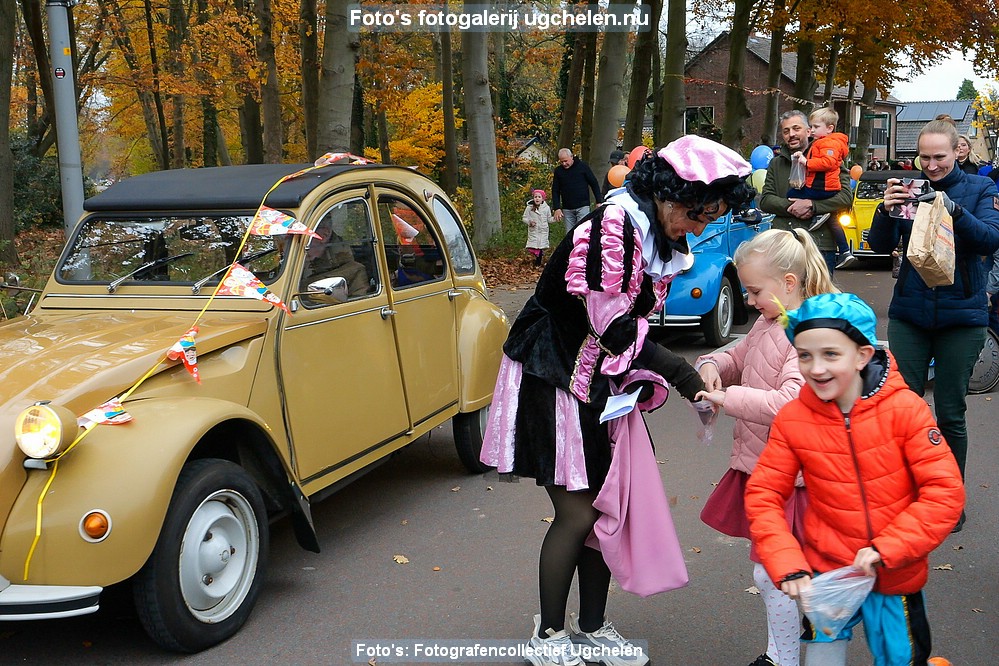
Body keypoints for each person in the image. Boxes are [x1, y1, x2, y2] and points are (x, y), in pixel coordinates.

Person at [481, 135, 755, 666]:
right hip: (554, 376)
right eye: (700, 214)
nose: (700, 227)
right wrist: (682, 375)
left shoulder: (649, 232)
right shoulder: (610, 228)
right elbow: (614, 326)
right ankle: (549, 637)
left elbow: (628, 332)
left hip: (600, 385)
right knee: (578, 515)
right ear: (672, 196)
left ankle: (592, 628)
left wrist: (684, 377)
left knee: (610, 508)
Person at [744, 292, 965, 666]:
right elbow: (763, 493)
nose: (815, 368)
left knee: (901, 658)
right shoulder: (794, 419)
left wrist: (888, 547)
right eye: (805, 355)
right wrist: (786, 561)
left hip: (895, 572)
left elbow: (944, 492)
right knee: (821, 658)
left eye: (831, 354)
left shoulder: (905, 410)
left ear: (862, 355)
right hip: (826, 570)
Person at [694, 228, 836, 666]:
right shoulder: (768, 321)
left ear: (789, 284)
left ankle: (789, 656)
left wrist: (726, 398)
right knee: (776, 570)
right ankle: (786, 653)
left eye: (755, 290)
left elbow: (789, 402)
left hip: (796, 478)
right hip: (768, 468)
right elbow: (739, 357)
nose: (750, 299)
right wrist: (712, 364)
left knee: (779, 571)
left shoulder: (806, 332)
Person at [868, 115, 999, 532]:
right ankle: (906, 493)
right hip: (910, 313)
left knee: (950, 412)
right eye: (923, 157)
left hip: (963, 316)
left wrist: (953, 209)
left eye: (939, 156)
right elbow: (879, 246)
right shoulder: (909, 189)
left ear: (958, 151)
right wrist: (887, 212)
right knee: (902, 410)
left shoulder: (981, 188)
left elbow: (990, 239)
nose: (931, 166)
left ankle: (948, 498)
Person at [760, 110, 854, 276]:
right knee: (783, 300)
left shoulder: (826, 156)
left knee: (818, 299)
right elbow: (766, 200)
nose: (791, 135)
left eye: (796, 128)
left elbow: (845, 196)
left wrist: (813, 206)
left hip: (820, 245)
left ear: (808, 130)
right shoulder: (776, 163)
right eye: (786, 131)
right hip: (784, 243)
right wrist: (793, 206)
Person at [787, 107, 856, 270]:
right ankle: (844, 248)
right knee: (832, 219)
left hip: (823, 187)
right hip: (822, 186)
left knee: (792, 193)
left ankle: (815, 213)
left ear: (830, 128)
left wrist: (806, 162)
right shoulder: (822, 142)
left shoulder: (829, 143)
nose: (812, 129)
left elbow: (828, 162)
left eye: (816, 127)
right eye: (811, 126)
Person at [551, 148, 602, 235]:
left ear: (571, 157)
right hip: (567, 208)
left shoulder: (582, 167)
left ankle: (583, 248)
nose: (564, 164)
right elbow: (555, 190)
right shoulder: (558, 171)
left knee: (583, 232)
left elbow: (594, 183)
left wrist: (599, 201)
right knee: (569, 235)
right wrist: (557, 208)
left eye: (566, 161)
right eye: (561, 162)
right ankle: (571, 249)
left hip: (582, 206)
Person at [524, 189, 553, 266]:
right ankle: (537, 260)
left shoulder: (546, 208)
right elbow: (524, 218)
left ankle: (538, 262)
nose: (537, 198)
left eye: (539, 197)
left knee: (540, 247)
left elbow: (549, 219)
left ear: (543, 199)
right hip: (534, 230)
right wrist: (529, 222)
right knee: (533, 246)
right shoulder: (529, 207)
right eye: (535, 197)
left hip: (543, 230)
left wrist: (556, 218)